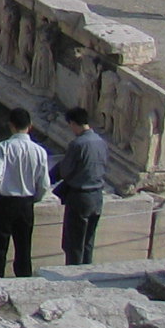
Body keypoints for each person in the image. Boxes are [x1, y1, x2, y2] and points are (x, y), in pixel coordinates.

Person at [0, 106, 51, 278]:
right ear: (30, 125)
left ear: (11, 126)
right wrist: (34, 199)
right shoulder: (39, 151)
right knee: (24, 249)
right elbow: (44, 183)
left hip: (5, 202)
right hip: (26, 203)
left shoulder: (3, 147)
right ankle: (24, 281)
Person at [53, 106, 108, 266]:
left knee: (73, 244)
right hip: (97, 196)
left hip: (80, 197)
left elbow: (65, 170)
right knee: (88, 242)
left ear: (73, 123)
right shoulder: (101, 142)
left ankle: (73, 277)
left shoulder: (78, 144)